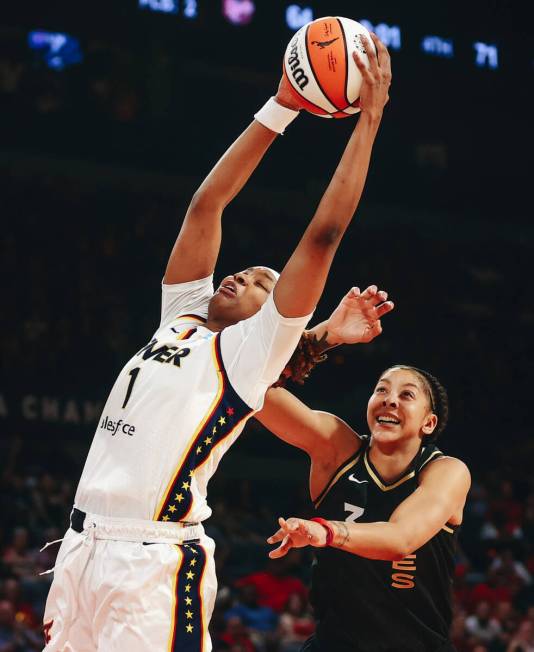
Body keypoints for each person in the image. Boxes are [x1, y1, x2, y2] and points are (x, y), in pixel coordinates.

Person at [42, 34, 392, 652]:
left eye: (262, 282)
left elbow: (323, 236)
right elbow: (207, 205)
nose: (241, 275)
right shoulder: (180, 316)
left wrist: (368, 123)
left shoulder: (248, 354)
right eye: (245, 269)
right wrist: (280, 106)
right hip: (81, 549)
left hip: (151, 563)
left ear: (273, 321)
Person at [257, 320, 471, 651]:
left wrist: (327, 531)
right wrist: (325, 338)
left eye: (406, 395)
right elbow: (253, 386)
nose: (389, 400)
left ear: (429, 423)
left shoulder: (446, 472)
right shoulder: (336, 447)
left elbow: (400, 540)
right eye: (381, 390)